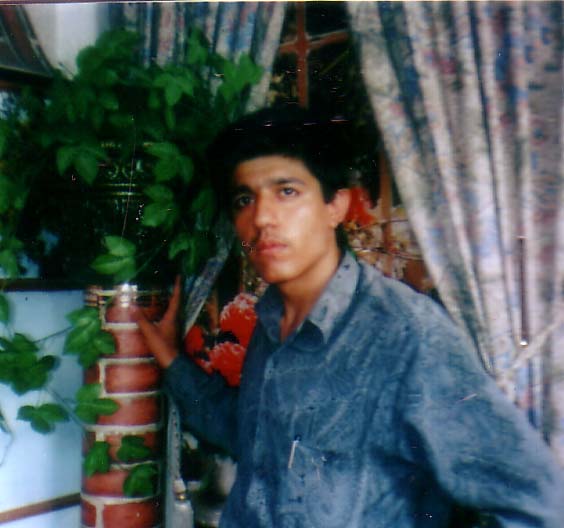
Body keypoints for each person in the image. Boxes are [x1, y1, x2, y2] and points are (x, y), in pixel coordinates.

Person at [136, 105, 564, 527]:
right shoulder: (272, 322)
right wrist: (172, 361)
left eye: (287, 191)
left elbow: (538, 505)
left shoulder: (406, 335)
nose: (261, 217)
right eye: (245, 199)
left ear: (336, 206)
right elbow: (254, 438)